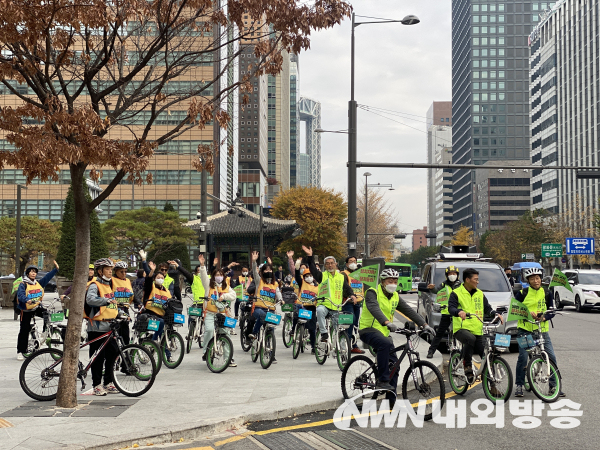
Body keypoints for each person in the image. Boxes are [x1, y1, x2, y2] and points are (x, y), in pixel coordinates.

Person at [359, 268, 434, 400]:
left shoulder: (395, 296)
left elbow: (408, 311)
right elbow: (373, 308)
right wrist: (386, 322)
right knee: (385, 344)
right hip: (368, 330)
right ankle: (382, 380)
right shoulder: (372, 292)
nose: (393, 283)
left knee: (395, 366)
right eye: (390, 281)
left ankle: (391, 402)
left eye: (395, 281)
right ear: (382, 281)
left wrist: (424, 325)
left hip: (384, 332)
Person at [513, 267, 564, 398]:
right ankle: (519, 385)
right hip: (525, 330)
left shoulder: (547, 292)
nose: (536, 281)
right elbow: (514, 309)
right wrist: (526, 313)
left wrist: (544, 317)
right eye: (532, 279)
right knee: (523, 357)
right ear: (528, 281)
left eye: (538, 278)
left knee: (551, 357)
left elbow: (551, 310)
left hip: (542, 330)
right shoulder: (522, 293)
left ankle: (555, 386)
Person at [448, 268, 504, 384]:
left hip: (478, 330)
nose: (477, 282)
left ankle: (491, 385)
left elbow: (487, 308)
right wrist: (459, 312)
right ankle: (467, 365)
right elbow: (451, 308)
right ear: (467, 280)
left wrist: (495, 314)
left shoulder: (480, 293)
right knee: (470, 339)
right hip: (461, 329)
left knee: (487, 357)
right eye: (475, 279)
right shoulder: (456, 293)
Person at [303, 246, 355, 342]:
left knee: (340, 330)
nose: (330, 265)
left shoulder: (341, 276)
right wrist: (310, 256)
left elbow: (346, 288)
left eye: (332, 263)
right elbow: (313, 269)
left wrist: (352, 295)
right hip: (325, 305)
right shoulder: (322, 275)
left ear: (335, 264)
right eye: (327, 264)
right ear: (325, 266)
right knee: (319, 310)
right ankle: (324, 333)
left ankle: (342, 350)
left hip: (337, 307)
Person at [85, 258, 119, 396]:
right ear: (100, 271)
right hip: (97, 328)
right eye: (107, 269)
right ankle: (97, 385)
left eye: (111, 269)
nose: (110, 271)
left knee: (114, 353)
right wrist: (106, 300)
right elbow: (90, 299)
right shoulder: (95, 285)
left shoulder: (109, 285)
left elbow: (112, 303)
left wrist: (121, 313)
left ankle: (108, 382)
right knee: (97, 358)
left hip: (109, 327)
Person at [16, 261, 59, 360]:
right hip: (26, 309)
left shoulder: (38, 283)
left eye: (35, 272)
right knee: (24, 330)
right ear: (27, 274)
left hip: (36, 307)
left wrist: (55, 270)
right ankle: (20, 351)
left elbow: (47, 277)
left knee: (47, 313)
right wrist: (27, 300)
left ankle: (45, 332)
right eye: (31, 271)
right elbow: (21, 295)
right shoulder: (23, 284)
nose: (33, 273)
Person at [198, 257, 237, 366]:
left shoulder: (226, 286)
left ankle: (229, 358)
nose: (219, 277)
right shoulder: (208, 286)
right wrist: (202, 266)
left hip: (223, 314)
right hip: (210, 313)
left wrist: (224, 296)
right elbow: (204, 277)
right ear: (213, 276)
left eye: (220, 275)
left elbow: (234, 295)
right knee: (209, 330)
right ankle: (206, 351)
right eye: (217, 275)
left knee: (226, 335)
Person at [425, 265, 462, 359]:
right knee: (439, 334)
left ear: (457, 275)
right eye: (450, 274)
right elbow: (437, 290)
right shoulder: (443, 284)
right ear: (447, 275)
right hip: (446, 313)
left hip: (458, 314)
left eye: (454, 273)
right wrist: (432, 288)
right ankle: (431, 351)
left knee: (462, 333)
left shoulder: (462, 285)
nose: (452, 275)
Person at [248, 251, 282, 348]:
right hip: (258, 308)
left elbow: (278, 292)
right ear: (262, 272)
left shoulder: (275, 284)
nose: (268, 272)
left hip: (271, 309)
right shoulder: (259, 281)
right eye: (266, 270)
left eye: (270, 270)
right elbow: (254, 272)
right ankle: (254, 333)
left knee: (271, 330)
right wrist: (254, 262)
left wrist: (281, 300)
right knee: (263, 315)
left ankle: (271, 353)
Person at [289, 252, 319, 353]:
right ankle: (295, 330)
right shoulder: (302, 283)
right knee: (296, 316)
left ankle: (314, 347)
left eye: (310, 275)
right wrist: (297, 264)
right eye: (306, 275)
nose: (308, 277)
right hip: (302, 306)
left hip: (312, 308)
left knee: (312, 328)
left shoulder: (317, 286)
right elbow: (297, 274)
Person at [341, 255, 365, 354]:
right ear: (346, 264)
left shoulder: (359, 274)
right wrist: (351, 295)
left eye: (354, 261)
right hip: (348, 302)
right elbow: (345, 287)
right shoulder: (344, 274)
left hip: (358, 302)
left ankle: (354, 345)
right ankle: (346, 345)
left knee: (355, 324)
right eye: (350, 261)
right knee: (350, 322)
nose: (353, 263)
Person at [112, 261, 134, 346]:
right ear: (116, 271)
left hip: (125, 309)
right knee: (116, 335)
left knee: (125, 336)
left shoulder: (128, 280)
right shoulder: (112, 280)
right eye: (121, 271)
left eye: (125, 271)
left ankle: (126, 355)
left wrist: (139, 303)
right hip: (115, 310)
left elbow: (132, 294)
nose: (124, 273)